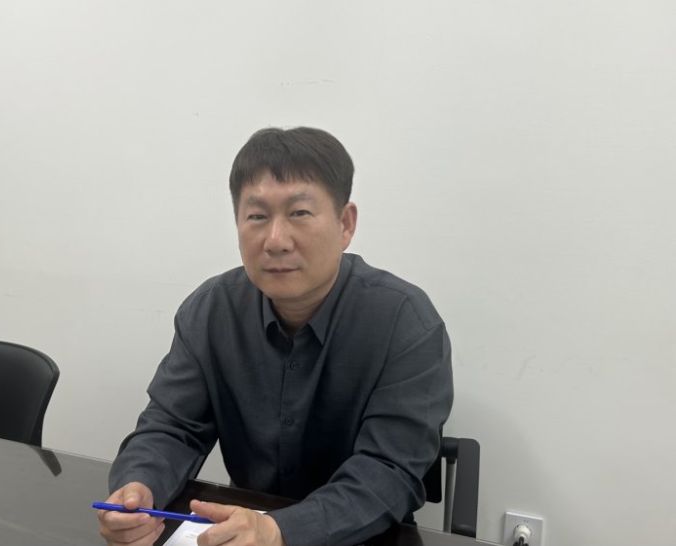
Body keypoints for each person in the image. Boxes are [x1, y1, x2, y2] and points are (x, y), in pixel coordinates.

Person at [97, 127, 453, 546]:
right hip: (246, 533)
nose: (276, 241)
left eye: (299, 213)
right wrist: (138, 488)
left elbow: (388, 472)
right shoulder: (211, 311)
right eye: (257, 216)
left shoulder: (405, 323)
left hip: (365, 536)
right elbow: (172, 427)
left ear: (345, 224)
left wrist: (280, 530)